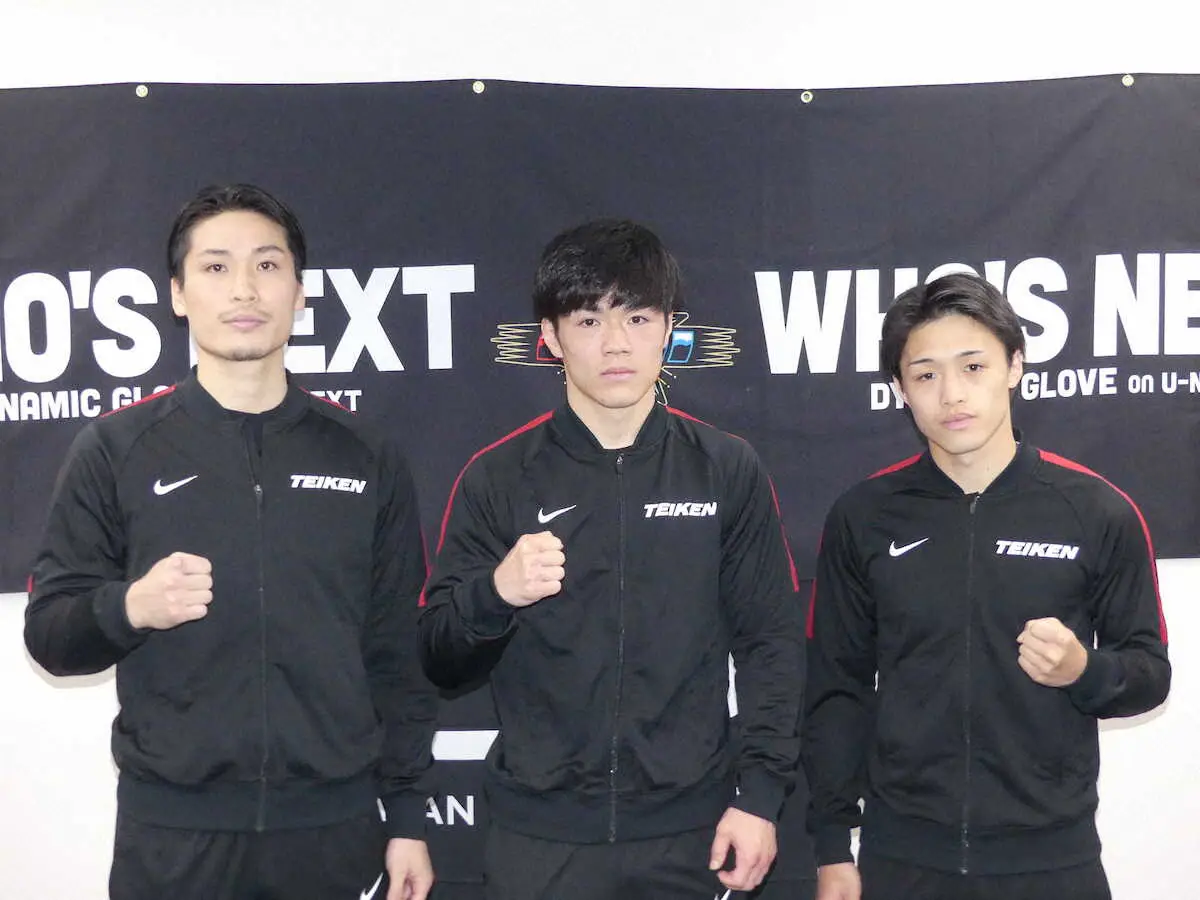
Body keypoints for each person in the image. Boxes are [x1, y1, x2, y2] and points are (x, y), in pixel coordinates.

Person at [25, 183, 437, 900]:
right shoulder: (115, 450)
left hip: (331, 832)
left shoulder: (365, 455)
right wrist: (131, 607)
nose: (244, 288)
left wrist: (405, 814)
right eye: (215, 267)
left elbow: (397, 651)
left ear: (300, 293)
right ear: (178, 294)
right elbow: (50, 636)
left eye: (267, 265)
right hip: (174, 837)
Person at [419, 219, 803, 899]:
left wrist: (761, 796)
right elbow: (439, 657)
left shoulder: (724, 469)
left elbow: (770, 642)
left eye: (637, 317)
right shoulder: (497, 477)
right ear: (551, 336)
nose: (616, 343)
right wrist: (495, 593)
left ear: (669, 329)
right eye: (589, 320)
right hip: (539, 837)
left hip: (692, 830)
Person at [803, 272, 1171, 900]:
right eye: (925, 375)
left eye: (973, 366)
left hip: (1052, 859)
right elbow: (836, 686)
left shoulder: (1096, 510)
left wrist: (1084, 670)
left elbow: (1150, 672)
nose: (952, 394)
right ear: (900, 389)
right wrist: (832, 844)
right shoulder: (864, 516)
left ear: (1015, 366)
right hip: (903, 856)